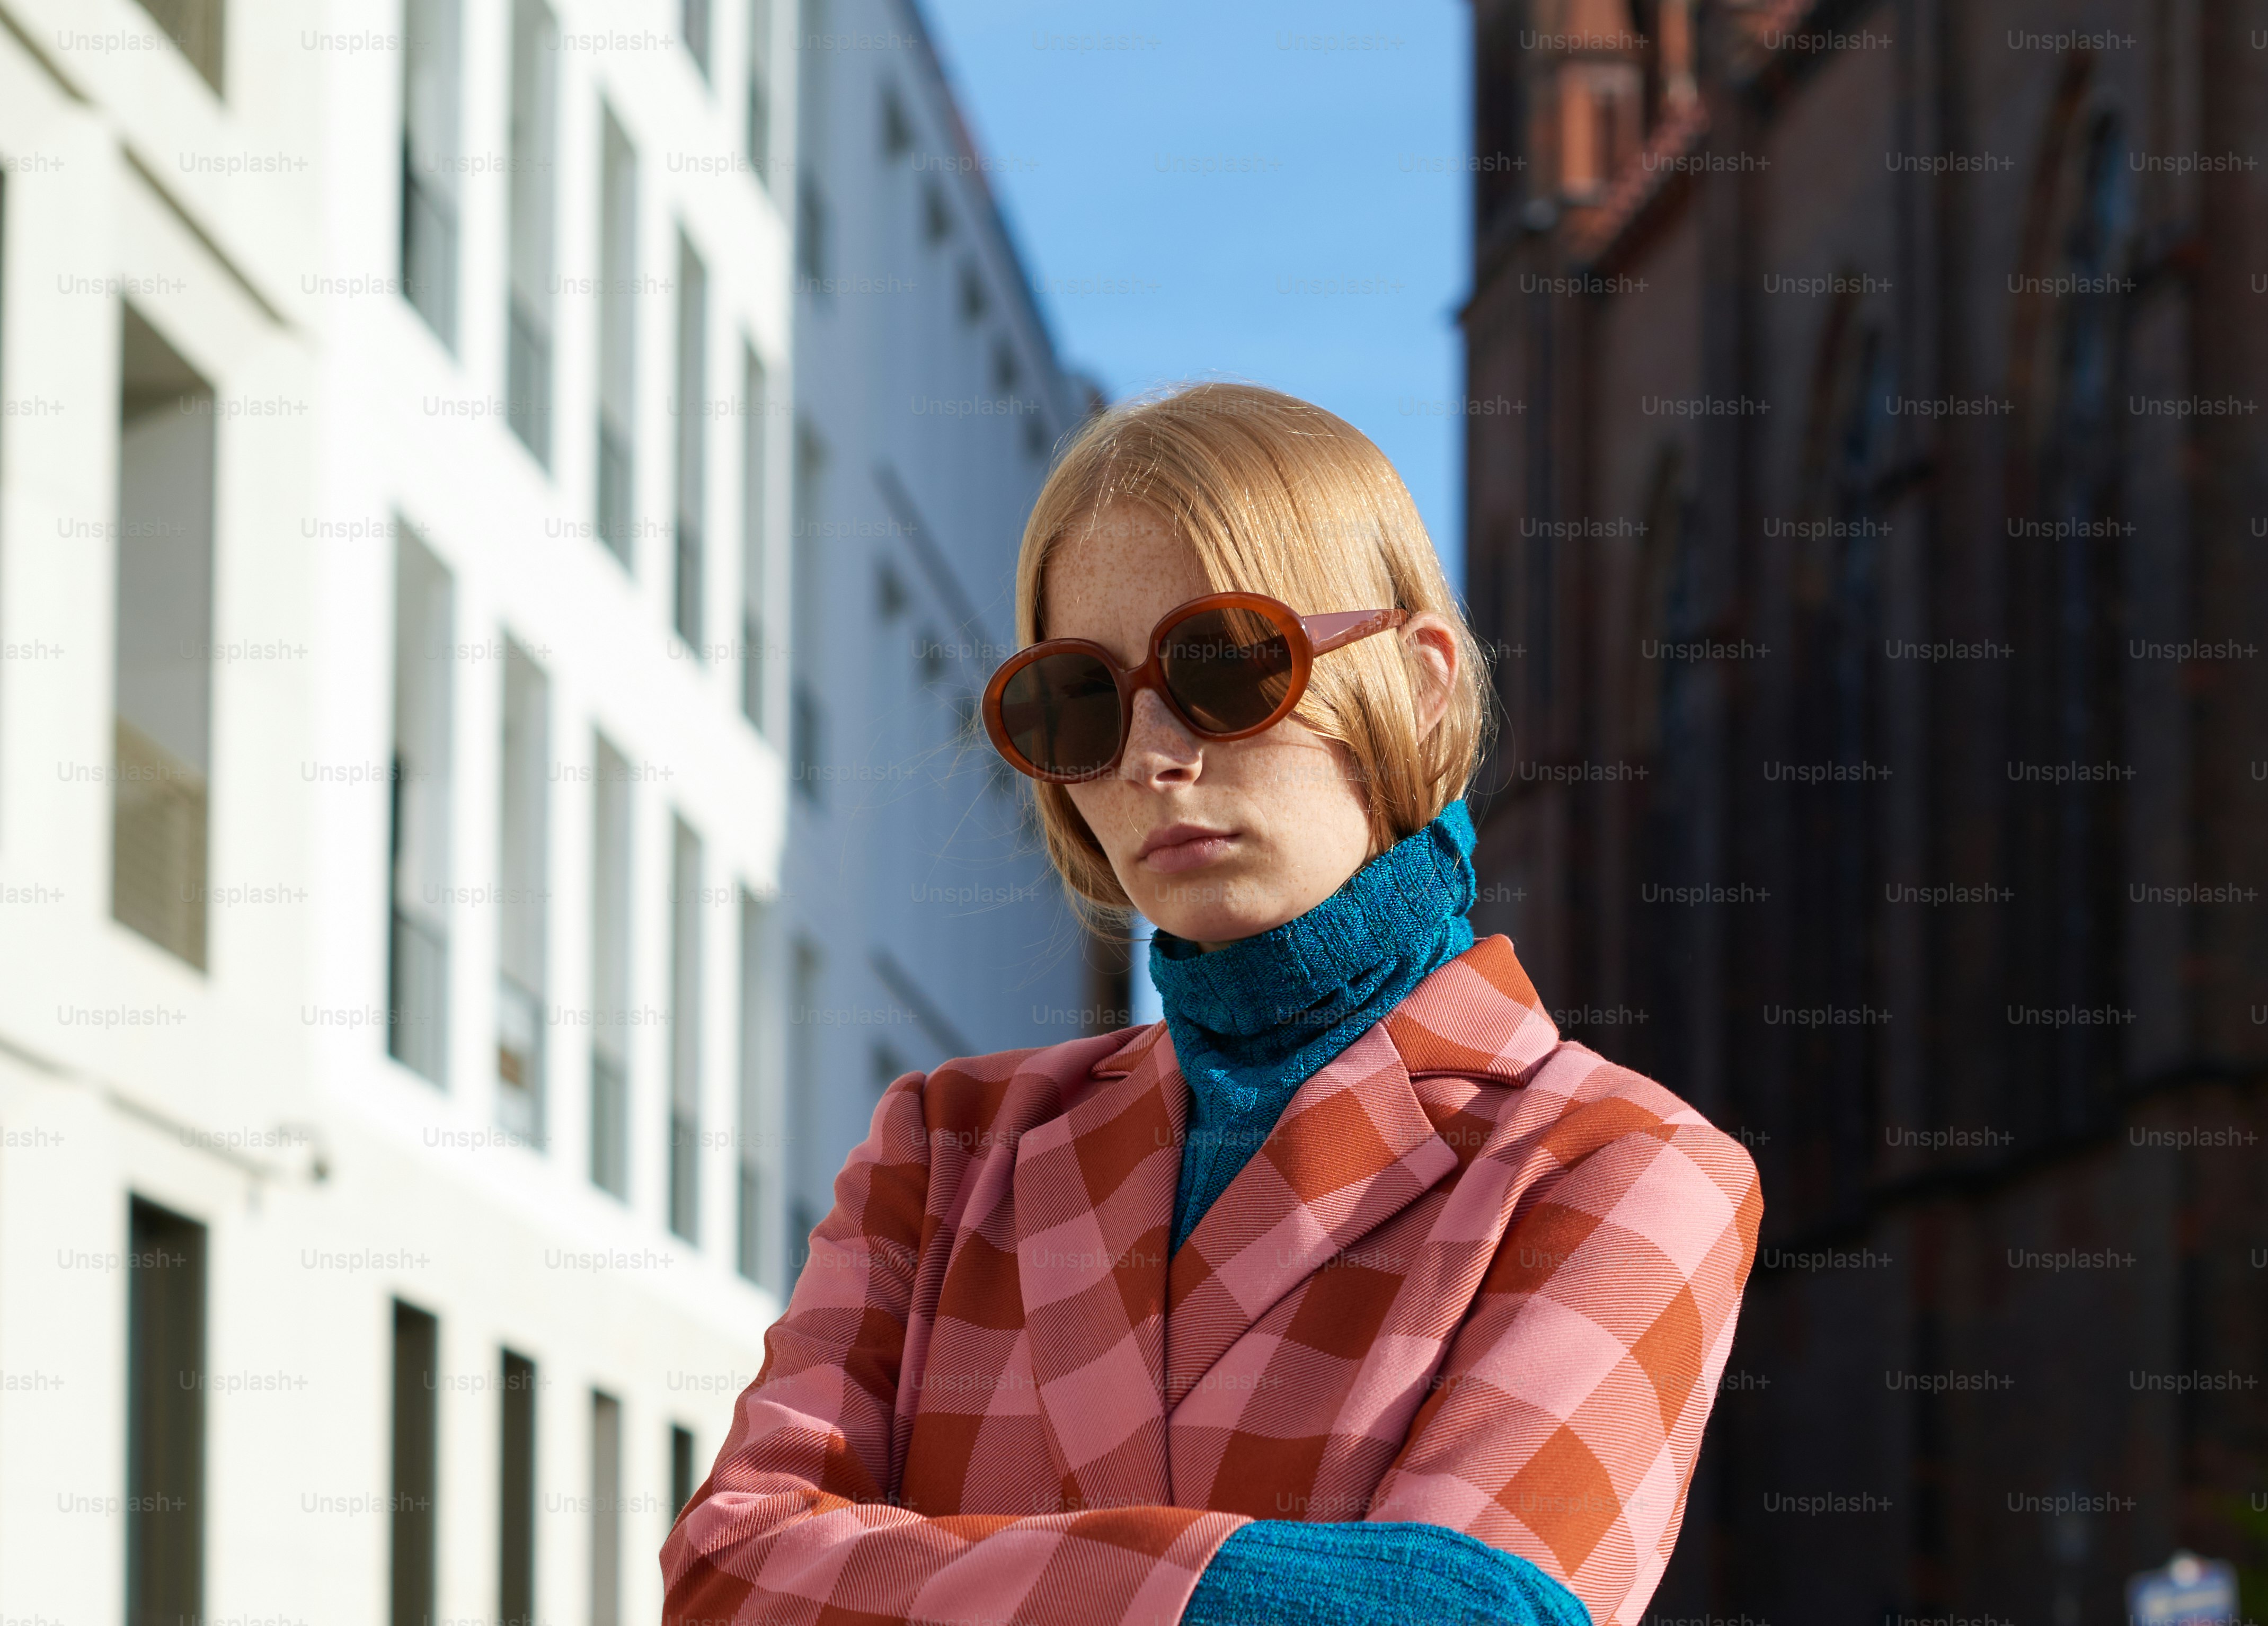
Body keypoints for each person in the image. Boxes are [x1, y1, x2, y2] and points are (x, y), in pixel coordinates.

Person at [660, 384, 1761, 1626]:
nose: (1149, 755)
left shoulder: (1618, 1165)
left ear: (1420, 679)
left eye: (1225, 666)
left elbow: (1462, 1618)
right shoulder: (946, 1145)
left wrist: (911, 1575)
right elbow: (725, 1577)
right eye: (1076, 697)